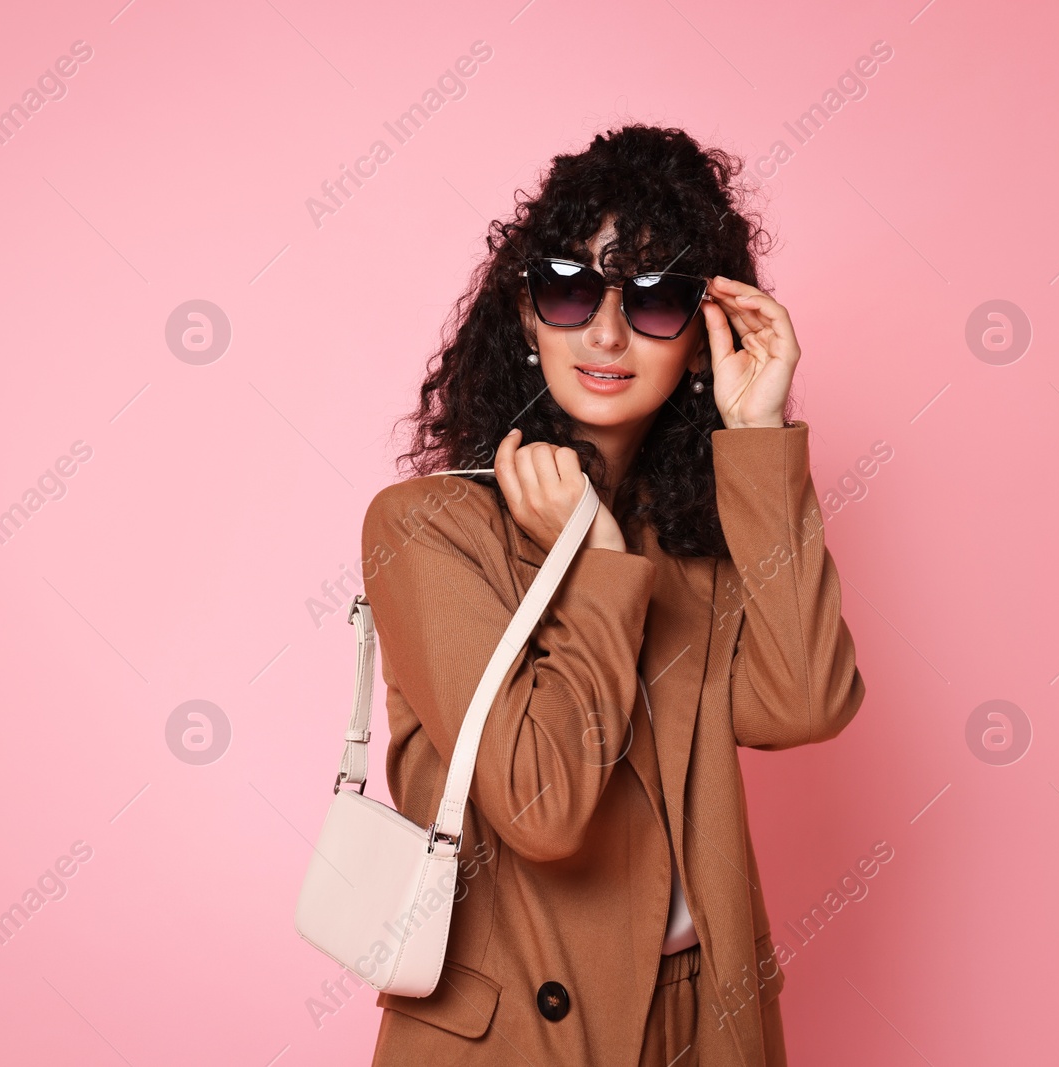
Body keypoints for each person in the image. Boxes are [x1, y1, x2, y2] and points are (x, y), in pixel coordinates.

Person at [359, 124, 867, 1066]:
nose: (605, 332)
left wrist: (758, 435)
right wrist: (595, 561)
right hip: (516, 1036)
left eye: (655, 300)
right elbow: (540, 807)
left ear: (703, 340)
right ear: (524, 317)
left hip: (701, 1023)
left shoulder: (701, 552)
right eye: (568, 288)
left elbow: (804, 704)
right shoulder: (428, 527)